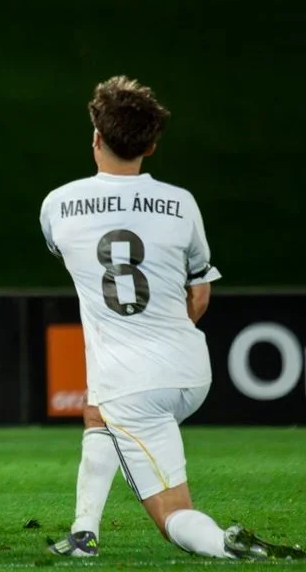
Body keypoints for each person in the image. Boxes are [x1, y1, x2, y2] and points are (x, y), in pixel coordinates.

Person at [39, 76, 302, 561]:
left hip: (132, 384)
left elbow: (79, 262)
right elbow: (199, 294)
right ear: (152, 144)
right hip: (189, 368)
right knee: (97, 408)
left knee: (172, 514)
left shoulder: (58, 205)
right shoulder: (181, 204)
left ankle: (225, 545)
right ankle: (83, 533)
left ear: (96, 136)